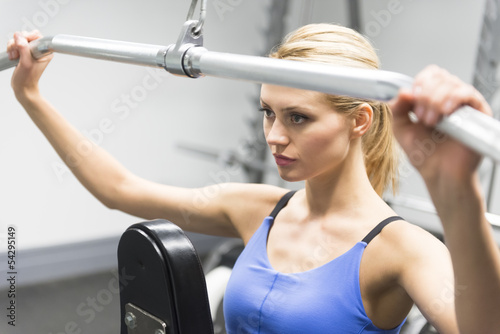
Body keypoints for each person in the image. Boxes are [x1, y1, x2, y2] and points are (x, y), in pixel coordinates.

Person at [4, 23, 498, 333]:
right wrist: (31, 98)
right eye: (268, 113)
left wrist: (456, 192)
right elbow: (121, 190)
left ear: (359, 120)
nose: (274, 136)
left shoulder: (401, 248)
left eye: (297, 118)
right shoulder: (260, 209)